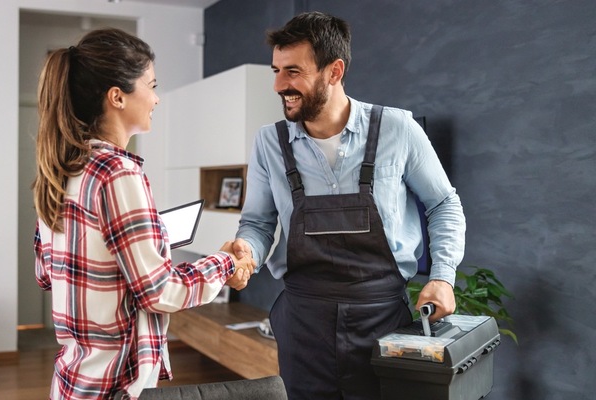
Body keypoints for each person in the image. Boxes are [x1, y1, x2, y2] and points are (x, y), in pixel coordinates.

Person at [231, 12, 466, 400]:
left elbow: (443, 203)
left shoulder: (398, 129)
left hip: (383, 320)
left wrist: (442, 276)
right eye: (276, 70)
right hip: (302, 322)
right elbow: (258, 223)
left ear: (334, 71)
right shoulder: (269, 143)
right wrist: (246, 251)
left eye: (292, 71)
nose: (278, 85)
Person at [32, 28, 255, 400]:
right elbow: (159, 290)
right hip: (114, 387)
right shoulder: (117, 173)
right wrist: (225, 264)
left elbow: (47, 273)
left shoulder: (63, 169)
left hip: (72, 382)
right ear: (117, 96)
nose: (156, 98)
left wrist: (144, 242)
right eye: (151, 85)